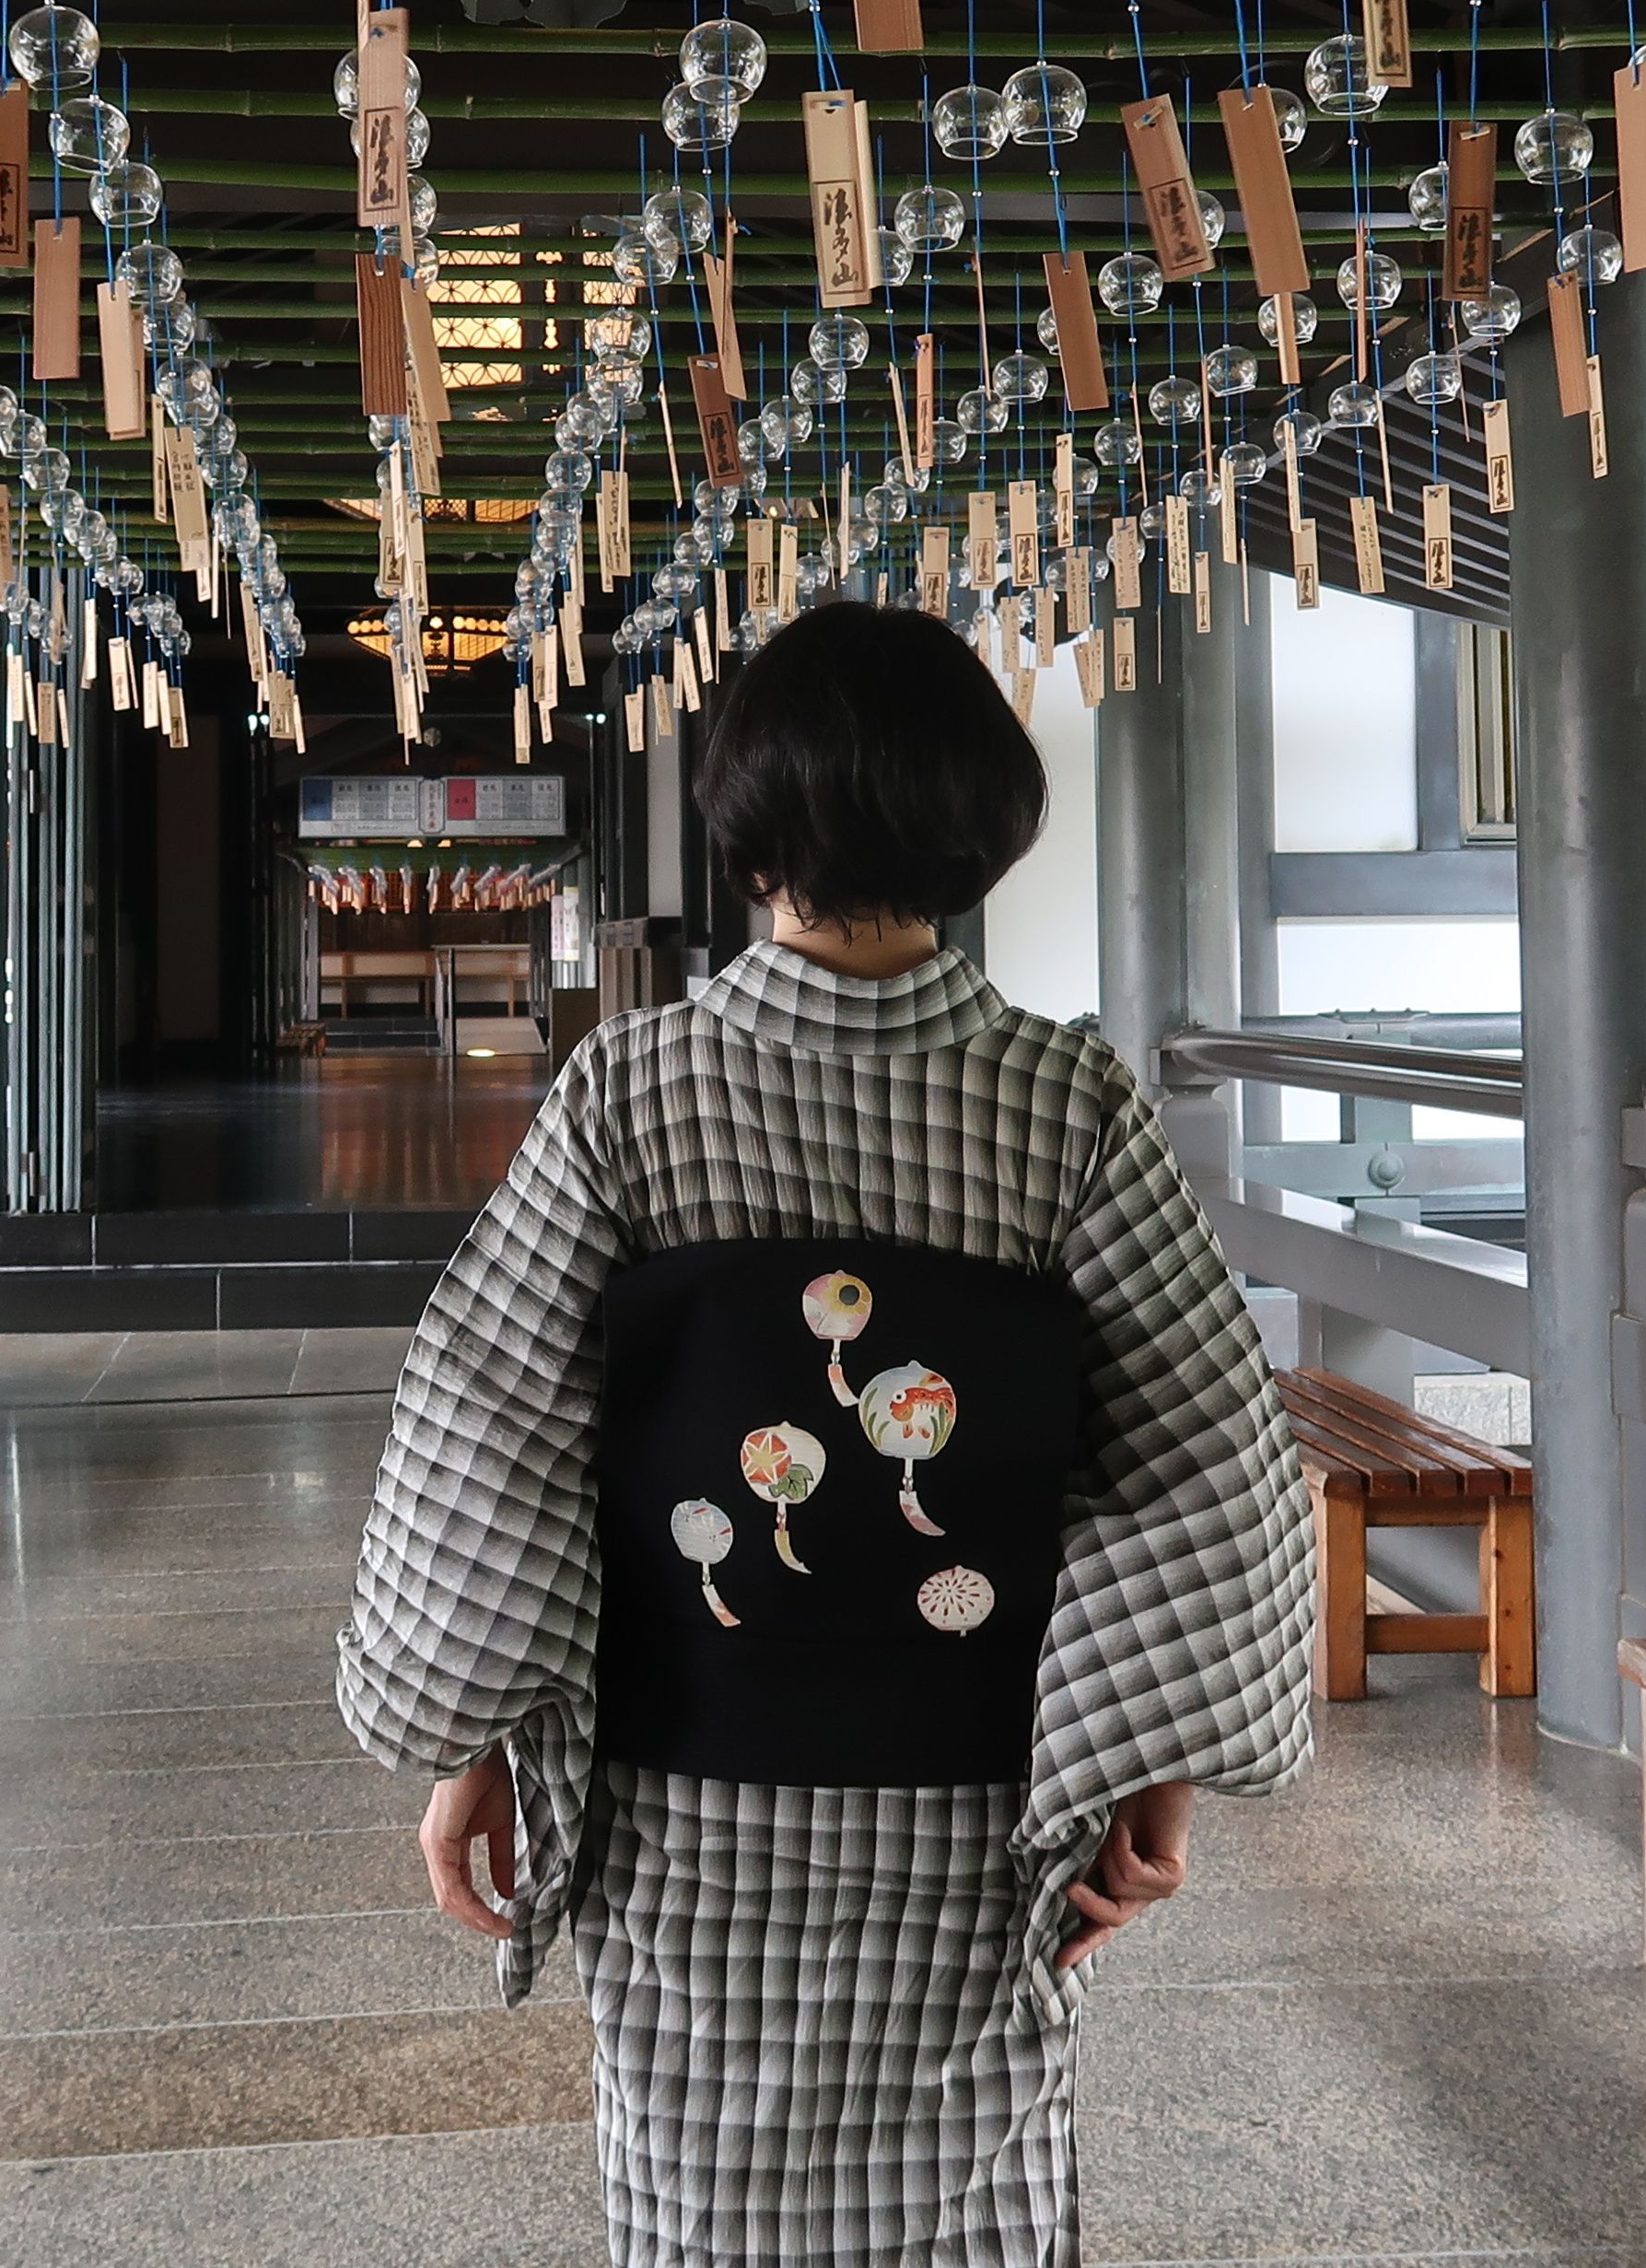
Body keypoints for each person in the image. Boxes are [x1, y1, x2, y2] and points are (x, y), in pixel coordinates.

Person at [339, 601, 1313, 2267]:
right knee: (966, 2173)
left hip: (684, 1792)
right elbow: (1207, 1449)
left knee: (697, 2163)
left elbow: (491, 1428)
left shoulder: (626, 1095)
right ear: (980, 825)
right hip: (970, 1783)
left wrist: (468, 1734)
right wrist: (1145, 1756)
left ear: (746, 827)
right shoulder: (1064, 1104)